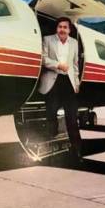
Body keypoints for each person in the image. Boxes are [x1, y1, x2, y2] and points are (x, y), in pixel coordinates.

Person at [38, 17, 82, 158]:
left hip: (68, 82)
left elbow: (75, 65)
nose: (62, 29)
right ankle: (52, 139)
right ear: (57, 28)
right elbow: (43, 59)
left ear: (69, 30)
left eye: (65, 27)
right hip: (53, 82)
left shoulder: (74, 43)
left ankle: (77, 150)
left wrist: (76, 83)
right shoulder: (47, 40)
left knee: (72, 118)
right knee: (51, 114)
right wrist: (58, 65)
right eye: (60, 27)